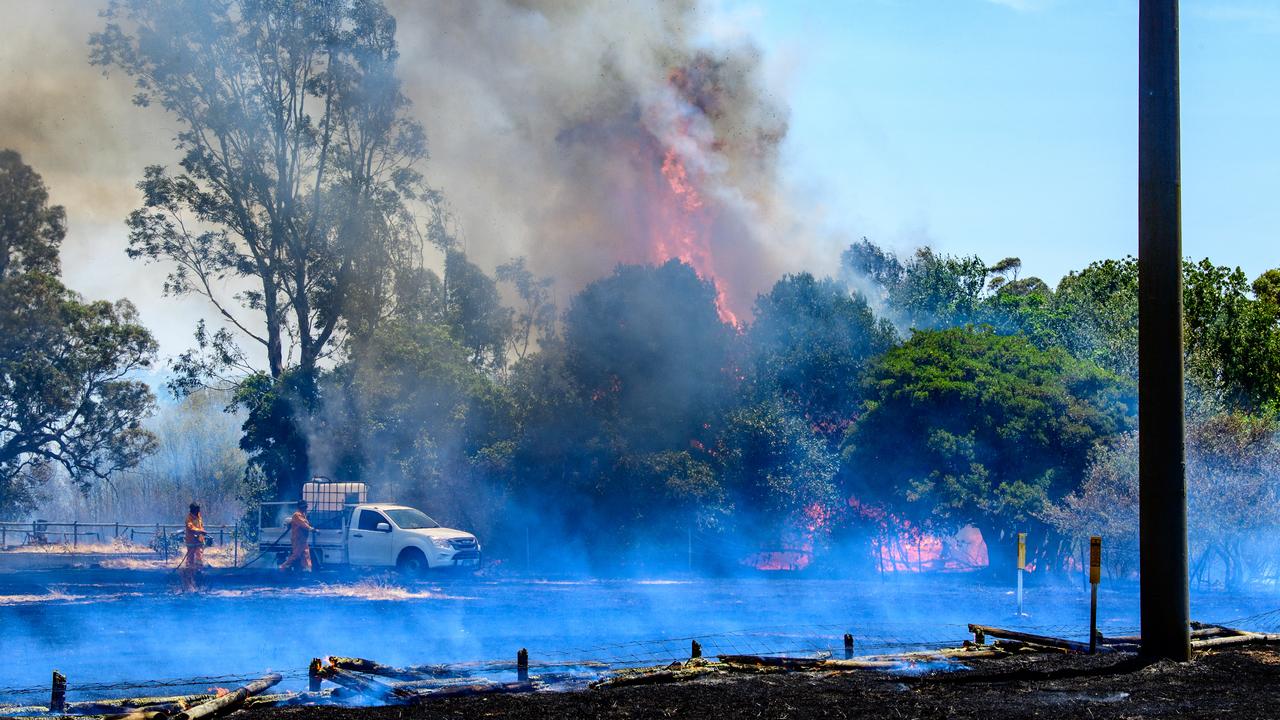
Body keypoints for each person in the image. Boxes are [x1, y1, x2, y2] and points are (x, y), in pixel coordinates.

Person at [279, 500, 315, 572]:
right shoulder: (297, 515)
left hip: (303, 539)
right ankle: (283, 567)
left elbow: (305, 523)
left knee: (306, 554)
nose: (306, 508)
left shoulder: (303, 515)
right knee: (296, 555)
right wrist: (311, 529)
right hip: (298, 539)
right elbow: (303, 524)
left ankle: (307, 569)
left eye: (306, 507)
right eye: (305, 507)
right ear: (301, 507)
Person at [180, 502, 206, 591]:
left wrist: (201, 532)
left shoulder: (199, 516)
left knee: (199, 557)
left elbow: (200, 526)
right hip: (191, 542)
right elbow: (191, 528)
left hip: (199, 541)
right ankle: (188, 577)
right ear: (193, 510)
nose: (199, 510)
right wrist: (200, 531)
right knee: (190, 560)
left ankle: (199, 574)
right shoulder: (189, 519)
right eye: (197, 509)